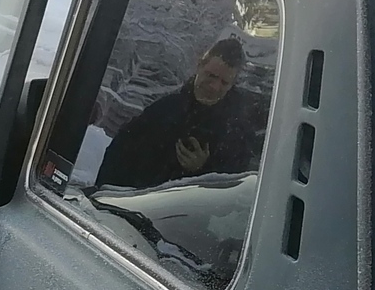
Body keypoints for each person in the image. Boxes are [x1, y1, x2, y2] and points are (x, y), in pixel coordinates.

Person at [98, 36, 266, 190]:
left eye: (224, 82)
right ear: (199, 64)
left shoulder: (238, 130)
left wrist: (203, 171)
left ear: (233, 84)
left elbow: (236, 192)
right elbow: (118, 154)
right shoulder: (163, 110)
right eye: (211, 76)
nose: (215, 87)